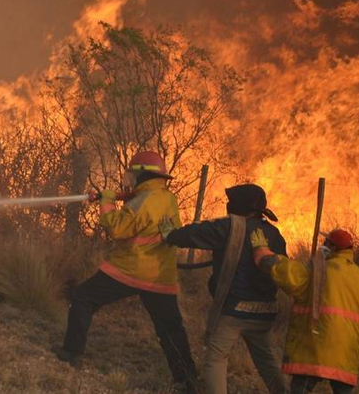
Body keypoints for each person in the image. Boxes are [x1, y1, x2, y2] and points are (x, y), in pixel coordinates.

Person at [53, 151, 197, 394]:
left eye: (132, 173)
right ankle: (187, 379)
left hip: (130, 269)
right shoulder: (167, 198)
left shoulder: (143, 201)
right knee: (171, 328)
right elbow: (146, 217)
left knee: (83, 298)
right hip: (161, 275)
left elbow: (118, 228)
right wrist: (125, 198)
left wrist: (107, 202)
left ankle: (70, 353)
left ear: (142, 174)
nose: (129, 178)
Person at [160, 184, 287, 394]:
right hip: (265, 310)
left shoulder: (229, 226)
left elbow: (195, 233)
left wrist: (171, 235)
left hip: (235, 310)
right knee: (266, 361)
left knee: (216, 358)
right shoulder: (273, 233)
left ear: (238, 205)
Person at [250, 227, 359, 394]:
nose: (322, 245)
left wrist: (262, 252)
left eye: (325, 243)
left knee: (301, 388)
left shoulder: (317, 272)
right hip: (347, 356)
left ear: (333, 248)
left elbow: (285, 272)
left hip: (314, 349)